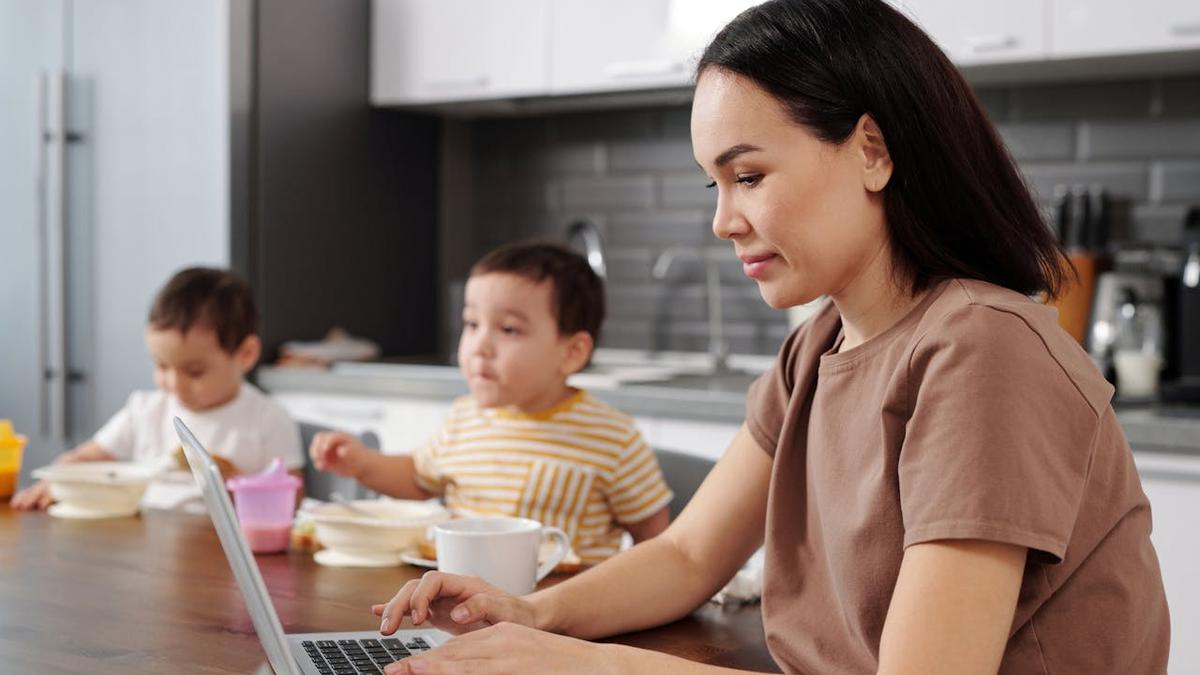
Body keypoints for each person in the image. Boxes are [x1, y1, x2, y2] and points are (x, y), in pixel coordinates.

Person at [368, 1, 1171, 674]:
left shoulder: (984, 348)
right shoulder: (819, 346)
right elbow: (687, 557)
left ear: (872, 150)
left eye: (747, 175)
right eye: (714, 184)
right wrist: (529, 611)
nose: (723, 220)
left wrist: (578, 661)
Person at [309, 242, 672, 563]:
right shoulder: (463, 418)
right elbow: (419, 480)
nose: (479, 346)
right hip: (461, 603)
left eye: (508, 329)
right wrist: (362, 463)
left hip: (563, 615)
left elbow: (656, 543)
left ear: (572, 352)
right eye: (471, 324)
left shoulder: (614, 437)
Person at [11, 267, 304, 512]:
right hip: (144, 540)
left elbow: (291, 503)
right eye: (162, 366)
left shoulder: (268, 418)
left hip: (221, 555)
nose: (173, 384)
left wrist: (231, 482)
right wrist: (58, 479)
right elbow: (85, 457)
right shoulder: (145, 411)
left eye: (194, 371)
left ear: (246, 354)